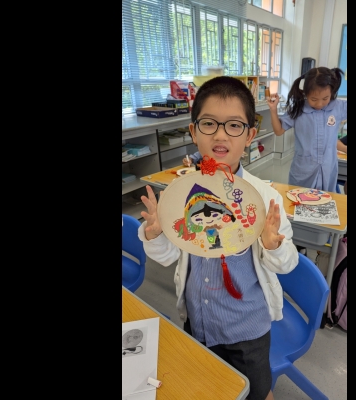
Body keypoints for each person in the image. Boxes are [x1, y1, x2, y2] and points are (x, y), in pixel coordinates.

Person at [138, 76, 299, 400]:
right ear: (193, 131)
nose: (221, 134)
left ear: (250, 135)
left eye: (234, 125)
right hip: (197, 320)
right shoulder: (180, 194)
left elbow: (287, 264)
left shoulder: (264, 199)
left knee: (256, 392)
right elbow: (169, 256)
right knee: (207, 388)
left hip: (247, 331)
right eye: (209, 123)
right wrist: (155, 234)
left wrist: (273, 245)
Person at [267, 66, 347, 193]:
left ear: (332, 92)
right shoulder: (298, 108)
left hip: (327, 170)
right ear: (306, 93)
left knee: (326, 201)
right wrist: (273, 110)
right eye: (314, 99)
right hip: (303, 171)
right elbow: (278, 131)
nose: (319, 104)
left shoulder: (338, 106)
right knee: (299, 200)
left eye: (325, 98)